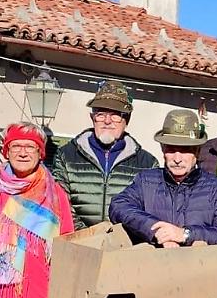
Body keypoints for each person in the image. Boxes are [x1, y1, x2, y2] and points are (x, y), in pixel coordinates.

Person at [0, 123, 75, 298]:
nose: (23, 153)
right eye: (16, 146)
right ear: (7, 152)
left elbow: (67, 245)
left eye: (30, 147)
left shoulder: (55, 196)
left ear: (40, 153)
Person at [110, 110, 217, 247]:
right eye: (171, 149)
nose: (177, 159)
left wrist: (185, 234)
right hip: (151, 265)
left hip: (199, 266)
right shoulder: (146, 181)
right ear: (163, 150)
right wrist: (156, 229)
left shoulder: (216, 188)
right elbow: (118, 206)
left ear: (197, 152)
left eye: (185, 150)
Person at [52, 80, 158, 229]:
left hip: (125, 245)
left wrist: (117, 237)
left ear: (126, 120)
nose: (107, 121)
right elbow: (59, 201)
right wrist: (88, 235)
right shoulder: (66, 156)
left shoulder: (147, 164)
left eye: (115, 115)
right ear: (92, 118)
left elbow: (146, 210)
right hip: (76, 241)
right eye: (101, 114)